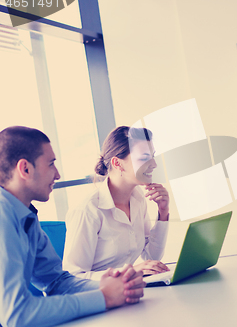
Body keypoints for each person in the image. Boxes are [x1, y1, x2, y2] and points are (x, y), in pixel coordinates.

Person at [0, 126, 145, 327]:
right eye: (51, 164)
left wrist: (116, 287)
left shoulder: (26, 216)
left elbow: (57, 282)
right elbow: (16, 315)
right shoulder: (3, 217)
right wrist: (104, 297)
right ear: (25, 169)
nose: (58, 174)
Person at [63, 126, 171, 280]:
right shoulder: (88, 210)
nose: (154, 164)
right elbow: (73, 276)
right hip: (98, 297)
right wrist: (132, 271)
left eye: (152, 157)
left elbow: (152, 255)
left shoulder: (138, 198)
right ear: (118, 164)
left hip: (128, 292)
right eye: (144, 158)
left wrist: (163, 212)